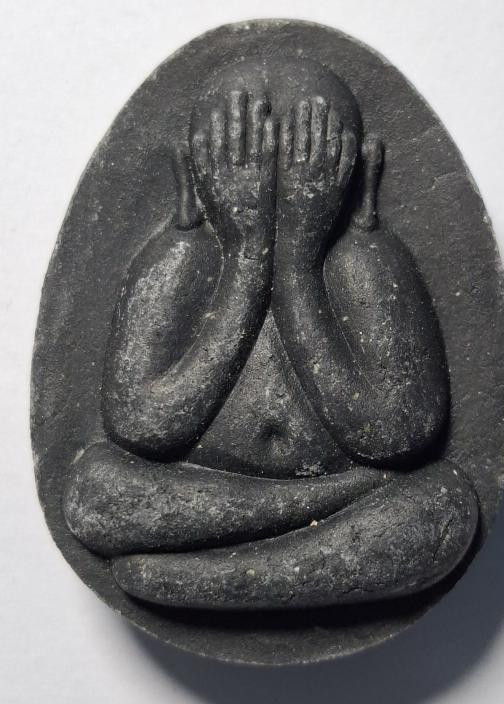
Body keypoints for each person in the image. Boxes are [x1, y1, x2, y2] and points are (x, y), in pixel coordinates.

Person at [63, 57, 478, 610]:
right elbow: (143, 425)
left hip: (349, 500)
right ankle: (293, 531)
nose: (272, 184)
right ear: (191, 175)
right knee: (95, 492)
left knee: (444, 505)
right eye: (238, 155)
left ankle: (206, 580)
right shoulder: (183, 258)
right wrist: (247, 256)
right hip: (240, 496)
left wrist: (297, 265)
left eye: (312, 156)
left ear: (362, 175)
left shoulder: (364, 261)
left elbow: (397, 435)